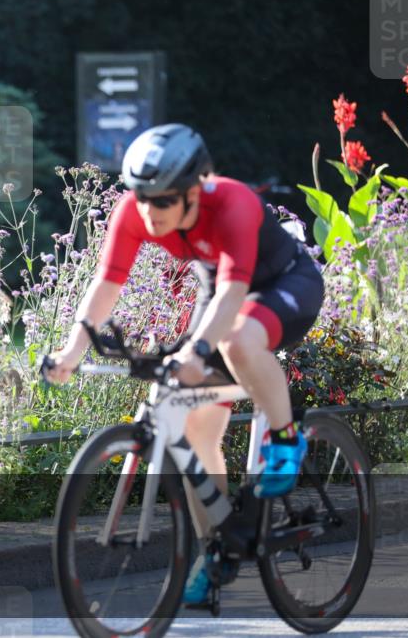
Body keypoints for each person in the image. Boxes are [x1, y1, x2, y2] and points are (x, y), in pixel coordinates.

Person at [44, 124, 324, 605]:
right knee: (194, 427)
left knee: (235, 341)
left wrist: (196, 353)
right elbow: (108, 283)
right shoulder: (134, 210)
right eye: (142, 197)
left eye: (163, 200)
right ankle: (217, 544)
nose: (149, 211)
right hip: (220, 294)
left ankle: (285, 437)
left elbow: (235, 293)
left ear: (194, 191)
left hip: (285, 284)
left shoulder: (231, 203)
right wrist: (73, 350)